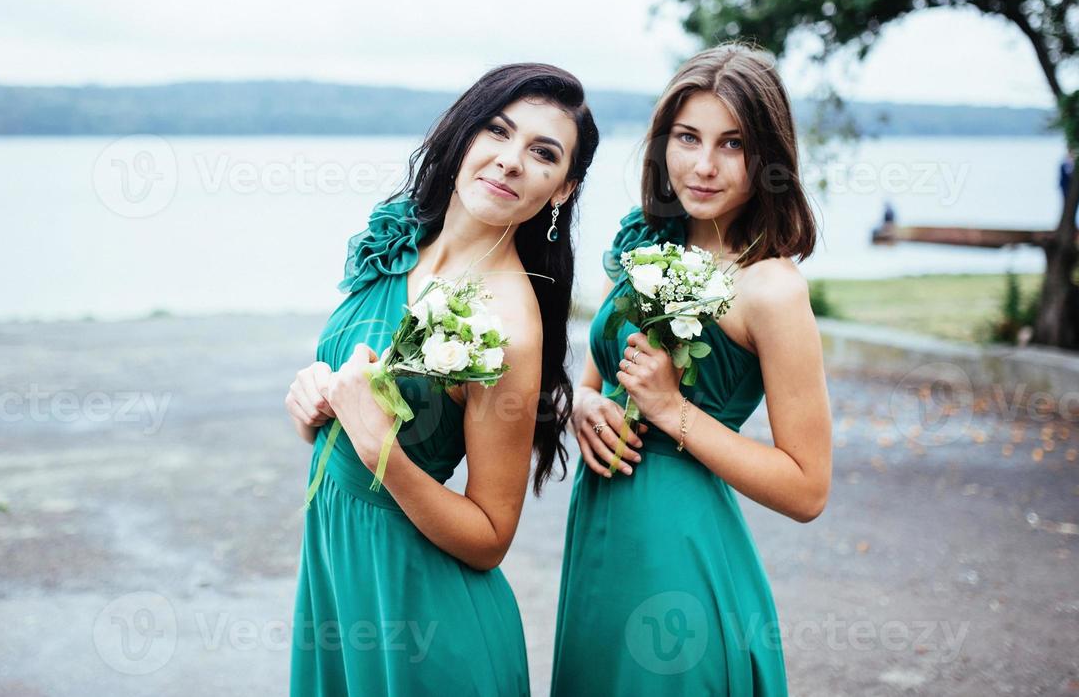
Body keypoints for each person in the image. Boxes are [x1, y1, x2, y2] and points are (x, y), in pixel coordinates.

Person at [285, 63, 600, 696]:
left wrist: (382, 451)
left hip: (425, 628)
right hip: (339, 585)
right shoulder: (399, 242)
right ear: (463, 136)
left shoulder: (508, 323)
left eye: (542, 153)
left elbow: (490, 537)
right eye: (498, 131)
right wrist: (313, 404)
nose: (510, 161)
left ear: (562, 189)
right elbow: (353, 401)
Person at [551, 42, 832, 696]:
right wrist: (582, 407)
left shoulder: (772, 290)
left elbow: (807, 488)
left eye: (732, 144)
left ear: (767, 157)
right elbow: (597, 380)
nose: (703, 166)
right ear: (662, 142)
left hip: (678, 551)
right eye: (687, 137)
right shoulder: (646, 243)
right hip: (600, 535)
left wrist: (674, 412)